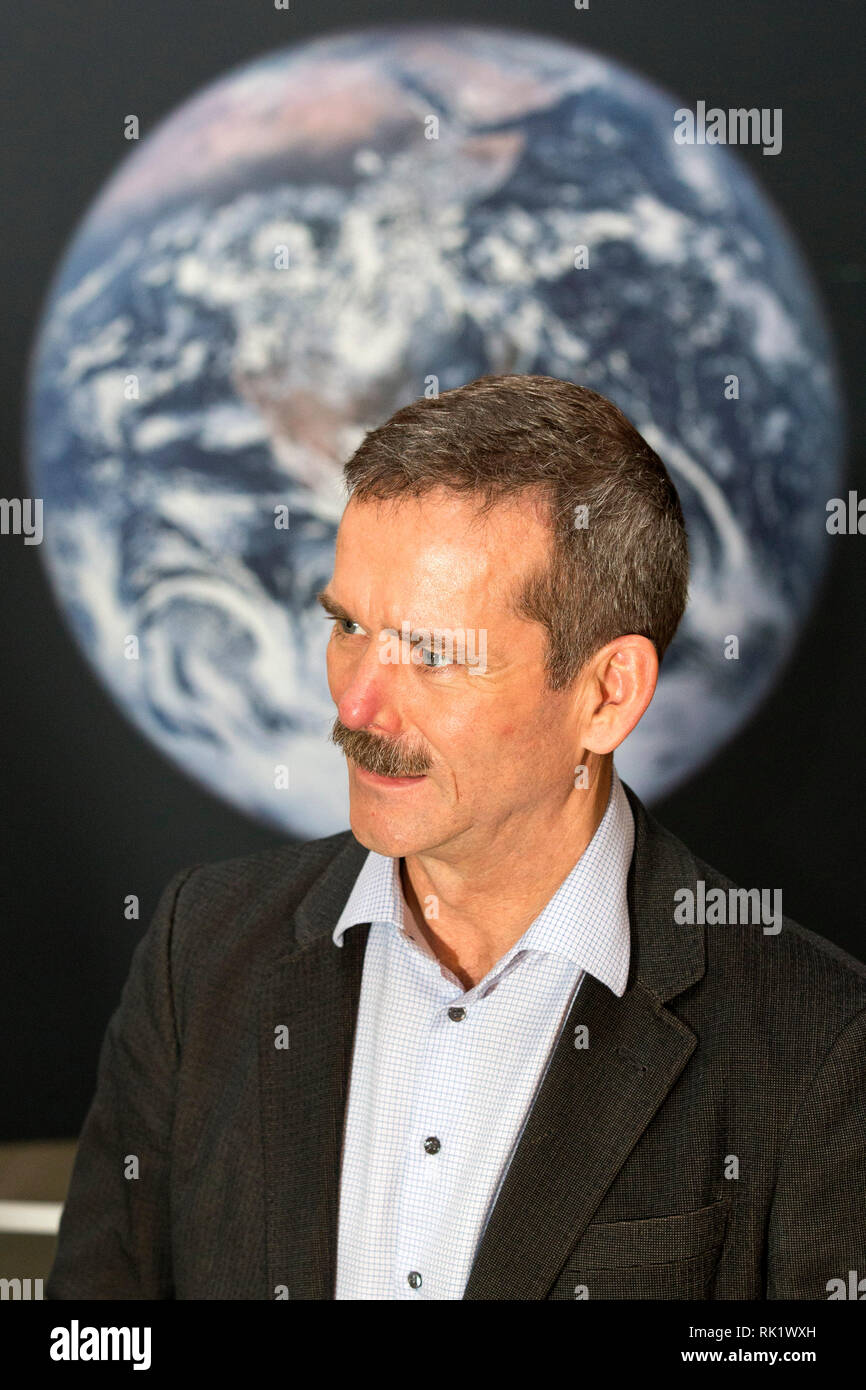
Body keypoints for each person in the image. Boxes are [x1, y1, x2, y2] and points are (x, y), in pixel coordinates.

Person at [48, 374, 865, 1300]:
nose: (354, 705)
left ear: (607, 695)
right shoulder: (199, 954)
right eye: (348, 625)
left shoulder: (818, 1049)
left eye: (433, 653)